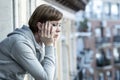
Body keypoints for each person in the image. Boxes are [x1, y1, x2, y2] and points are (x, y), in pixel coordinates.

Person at [0, 4, 63, 80]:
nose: (58, 29)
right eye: (54, 25)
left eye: (60, 25)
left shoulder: (37, 43)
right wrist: (49, 45)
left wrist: (52, 45)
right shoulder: (20, 43)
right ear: (40, 26)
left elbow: (51, 74)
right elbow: (46, 78)